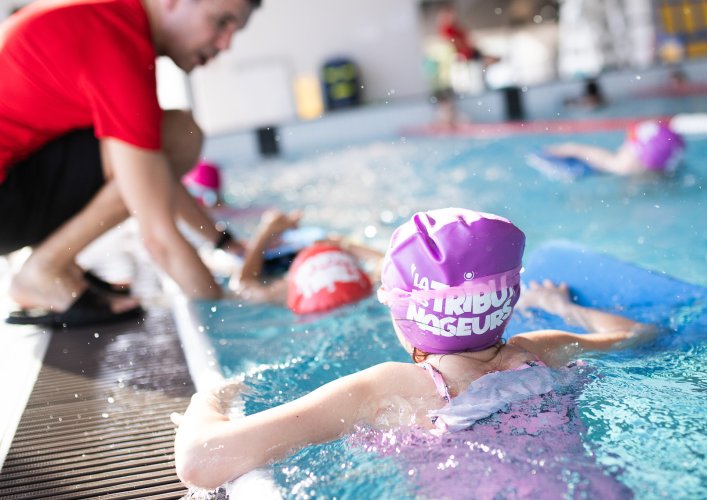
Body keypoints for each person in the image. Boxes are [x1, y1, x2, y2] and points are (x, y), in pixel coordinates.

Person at [172, 207, 658, 490]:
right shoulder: (540, 353)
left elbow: (201, 460)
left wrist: (206, 401)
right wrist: (565, 308)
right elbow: (641, 335)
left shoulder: (384, 388)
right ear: (508, 304)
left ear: (403, 319)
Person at [0, 0, 260, 327]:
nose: (226, 43)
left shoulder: (106, 15)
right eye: (222, 22)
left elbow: (150, 171)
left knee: (159, 142)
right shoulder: (116, 42)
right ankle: (44, 269)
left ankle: (55, 265)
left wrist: (221, 241)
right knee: (181, 134)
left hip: (15, 178)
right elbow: (158, 237)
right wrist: (232, 313)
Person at [229, 209, 383, 315]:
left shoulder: (283, 290)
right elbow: (383, 261)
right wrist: (336, 242)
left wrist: (265, 233)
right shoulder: (369, 280)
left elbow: (242, 284)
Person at [541, 120, 686, 176]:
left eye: (629, 142)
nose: (623, 145)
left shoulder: (624, 166)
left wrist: (570, 149)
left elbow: (610, 162)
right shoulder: (669, 169)